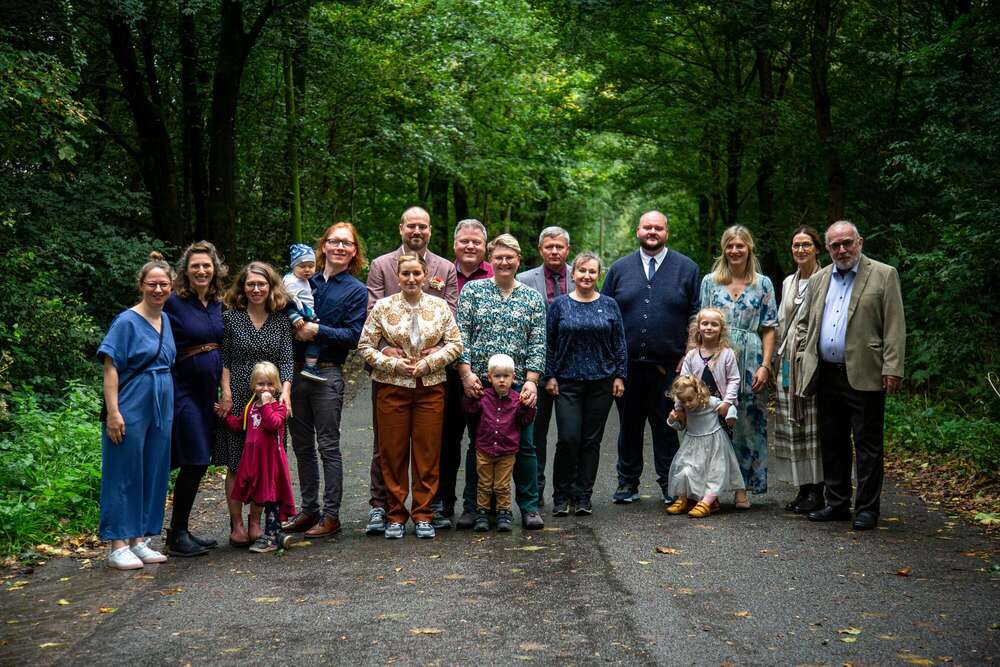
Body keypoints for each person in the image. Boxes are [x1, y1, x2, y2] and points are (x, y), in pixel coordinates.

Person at [797, 221, 905, 531]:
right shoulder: (819, 279)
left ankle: (867, 508)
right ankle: (837, 502)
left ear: (860, 242)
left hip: (866, 372)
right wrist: (806, 353)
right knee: (832, 441)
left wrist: (892, 367)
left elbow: (895, 327)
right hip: (827, 373)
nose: (842, 250)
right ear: (827, 249)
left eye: (847, 243)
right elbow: (805, 322)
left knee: (868, 444)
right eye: (835, 245)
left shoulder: (884, 275)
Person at [364, 206, 459, 534]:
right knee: (392, 452)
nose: (411, 278)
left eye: (417, 274)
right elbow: (365, 345)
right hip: (392, 383)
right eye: (405, 274)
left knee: (427, 451)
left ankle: (423, 513)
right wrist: (393, 360)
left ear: (424, 275)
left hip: (430, 384)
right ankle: (393, 513)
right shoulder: (383, 305)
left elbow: (456, 343)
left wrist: (431, 360)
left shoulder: (440, 304)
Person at [602, 210, 700, 505]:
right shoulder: (619, 269)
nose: (652, 232)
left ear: (666, 232)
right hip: (627, 366)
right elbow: (605, 311)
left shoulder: (687, 268)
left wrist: (689, 353)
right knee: (629, 426)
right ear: (638, 231)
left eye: (658, 228)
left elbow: (696, 313)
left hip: (669, 366)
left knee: (666, 426)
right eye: (647, 227)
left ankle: (670, 484)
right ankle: (627, 483)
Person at [281, 222, 368, 539]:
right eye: (334, 241)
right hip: (293, 370)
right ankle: (308, 511)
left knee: (328, 446)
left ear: (354, 251)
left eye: (347, 243)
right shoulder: (302, 279)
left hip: (328, 372)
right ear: (324, 246)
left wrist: (318, 331)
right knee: (302, 447)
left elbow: (355, 335)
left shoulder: (357, 291)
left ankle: (331, 517)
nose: (340, 247)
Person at [455, 233, 546, 530]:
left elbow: (537, 343)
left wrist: (532, 382)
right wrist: (466, 374)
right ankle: (473, 507)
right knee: (478, 447)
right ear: (490, 260)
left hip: (518, 386)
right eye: (498, 257)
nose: (504, 262)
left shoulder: (532, 297)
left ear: (519, 261)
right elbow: (461, 336)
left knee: (526, 446)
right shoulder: (472, 291)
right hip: (480, 385)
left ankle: (529, 506)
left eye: (510, 257)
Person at [98, 252, 177, 570]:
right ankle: (118, 543)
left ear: (171, 286)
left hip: (162, 403)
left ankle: (140, 539)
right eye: (152, 284)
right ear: (141, 285)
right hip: (131, 402)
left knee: (153, 470)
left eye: (164, 284)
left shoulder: (166, 319)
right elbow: (111, 369)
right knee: (124, 470)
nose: (158, 290)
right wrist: (113, 412)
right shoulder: (126, 321)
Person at [215, 262, 294, 547]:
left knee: (265, 464)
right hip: (238, 393)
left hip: (270, 396)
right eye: (251, 284)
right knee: (237, 463)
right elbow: (224, 358)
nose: (257, 289)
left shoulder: (280, 319)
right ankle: (236, 523)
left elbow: (287, 359)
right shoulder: (231, 318)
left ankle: (256, 521)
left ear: (271, 287)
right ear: (243, 287)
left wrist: (285, 393)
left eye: (262, 284)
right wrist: (226, 393)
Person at [699, 225, 777, 504]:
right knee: (714, 423)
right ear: (724, 250)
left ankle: (743, 488)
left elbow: (769, 327)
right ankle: (712, 490)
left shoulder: (763, 283)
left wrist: (765, 365)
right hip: (716, 358)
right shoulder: (710, 281)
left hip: (751, 359)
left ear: (749, 249)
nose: (735, 251)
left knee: (748, 424)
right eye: (730, 246)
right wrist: (695, 361)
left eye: (740, 246)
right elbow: (700, 325)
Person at [544, 252, 625, 517]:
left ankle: (583, 496)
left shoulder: (610, 305)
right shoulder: (559, 305)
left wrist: (619, 376)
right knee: (568, 438)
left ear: (598, 274)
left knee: (591, 441)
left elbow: (619, 344)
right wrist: (551, 376)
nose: (587, 276)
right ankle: (561, 495)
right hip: (567, 383)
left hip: (601, 383)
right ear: (573, 273)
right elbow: (549, 343)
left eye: (592, 272)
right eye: (582, 271)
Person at [162, 241, 226, 557]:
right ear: (186, 271)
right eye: (195, 266)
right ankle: (176, 534)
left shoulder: (217, 303)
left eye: (206, 266)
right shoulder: (174, 303)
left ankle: (180, 530)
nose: (201, 271)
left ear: (215, 270)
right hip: (182, 389)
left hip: (208, 392)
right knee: (195, 459)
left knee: (200, 462)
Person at [435, 219, 494, 528]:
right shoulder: (442, 273)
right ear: (454, 245)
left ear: (485, 247)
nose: (470, 246)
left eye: (476, 242)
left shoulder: (495, 274)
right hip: (444, 372)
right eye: (464, 241)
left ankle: (478, 502)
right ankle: (444, 501)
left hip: (482, 375)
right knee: (446, 438)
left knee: (482, 440)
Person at [668, 308, 748, 512]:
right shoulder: (692, 356)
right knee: (697, 458)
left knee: (719, 456)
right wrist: (679, 408)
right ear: (698, 328)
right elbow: (681, 383)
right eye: (705, 324)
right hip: (695, 408)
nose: (709, 327)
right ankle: (696, 496)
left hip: (718, 409)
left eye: (714, 324)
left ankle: (722, 496)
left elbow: (733, 380)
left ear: (721, 329)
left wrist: (727, 403)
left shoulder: (726, 354)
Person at [768, 227, 825, 514]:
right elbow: (780, 320)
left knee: (812, 425)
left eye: (806, 245)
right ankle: (803, 489)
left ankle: (818, 489)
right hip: (788, 360)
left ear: (817, 248)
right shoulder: (789, 282)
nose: (800, 250)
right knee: (793, 423)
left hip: (811, 359)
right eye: (795, 245)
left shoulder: (825, 279)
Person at [517, 226, 574, 505]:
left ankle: (566, 492)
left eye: (559, 247)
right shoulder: (524, 280)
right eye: (549, 246)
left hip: (571, 370)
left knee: (569, 435)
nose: (554, 251)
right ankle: (534, 494)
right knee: (533, 437)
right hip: (533, 369)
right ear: (541, 250)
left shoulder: (581, 276)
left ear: (567, 250)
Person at [220, 361, 295, 553]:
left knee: (271, 497)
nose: (266, 388)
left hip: (271, 462)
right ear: (253, 386)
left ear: (277, 386)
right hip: (254, 461)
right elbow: (241, 425)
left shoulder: (278, 407)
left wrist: (267, 404)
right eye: (261, 384)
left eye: (270, 384)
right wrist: (224, 416)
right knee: (261, 495)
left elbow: (273, 424)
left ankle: (271, 536)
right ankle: (276, 533)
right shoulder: (251, 407)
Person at [463, 354, 536, 532]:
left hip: (507, 452)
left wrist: (528, 407)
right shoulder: (483, 397)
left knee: (502, 485)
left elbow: (524, 420)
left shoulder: (517, 400)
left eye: (506, 376)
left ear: (514, 378)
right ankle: (482, 513)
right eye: (497, 376)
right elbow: (470, 410)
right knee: (484, 484)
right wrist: (471, 397)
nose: (502, 380)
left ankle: (505, 513)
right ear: (489, 378)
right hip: (485, 450)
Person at [666, 375, 743, 518]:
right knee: (685, 470)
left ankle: (707, 502)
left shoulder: (711, 402)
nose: (687, 404)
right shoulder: (683, 408)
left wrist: (730, 416)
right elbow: (681, 426)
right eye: (683, 401)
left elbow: (729, 406)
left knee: (715, 473)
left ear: (698, 393)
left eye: (690, 399)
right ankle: (682, 498)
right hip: (692, 444)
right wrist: (672, 419)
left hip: (714, 444)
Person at [283, 243, 324, 382]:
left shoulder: (305, 280)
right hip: (301, 315)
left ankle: (309, 366)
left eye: (311, 266)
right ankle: (310, 367)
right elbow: (288, 301)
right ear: (293, 266)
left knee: (314, 339)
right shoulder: (291, 281)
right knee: (317, 338)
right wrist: (294, 316)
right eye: (302, 266)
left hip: (305, 314)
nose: (307, 270)